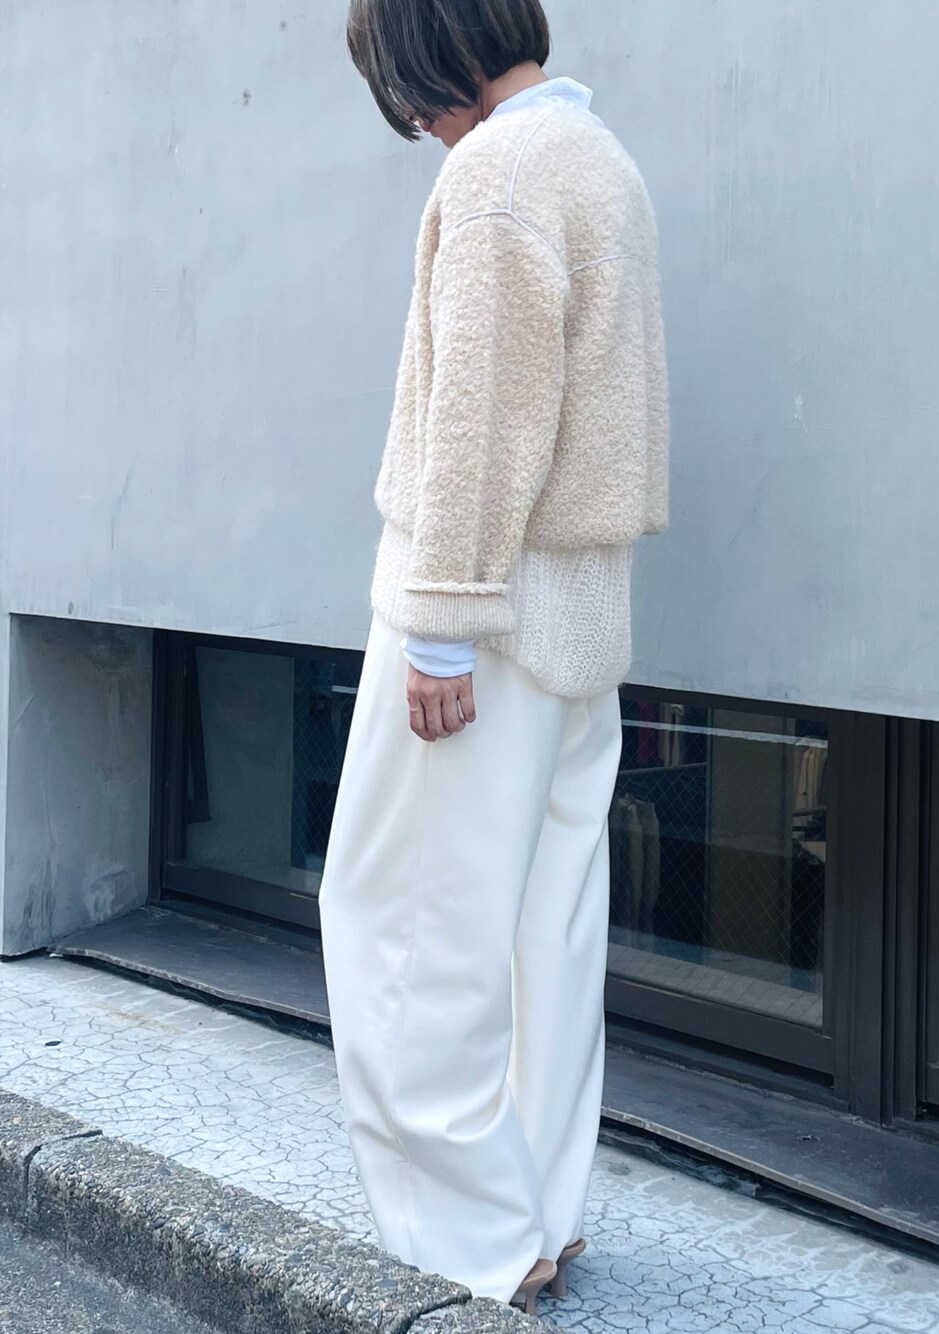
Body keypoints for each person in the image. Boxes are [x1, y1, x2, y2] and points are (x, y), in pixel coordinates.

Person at [318, 0, 669, 1313]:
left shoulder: (500, 172)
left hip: (486, 617)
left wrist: (442, 621)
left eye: (406, 92)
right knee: (543, 934)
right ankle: (537, 1215)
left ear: (436, 53)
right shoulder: (600, 158)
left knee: (404, 926)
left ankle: (469, 1243)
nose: (415, 122)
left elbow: (482, 416)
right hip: (580, 618)